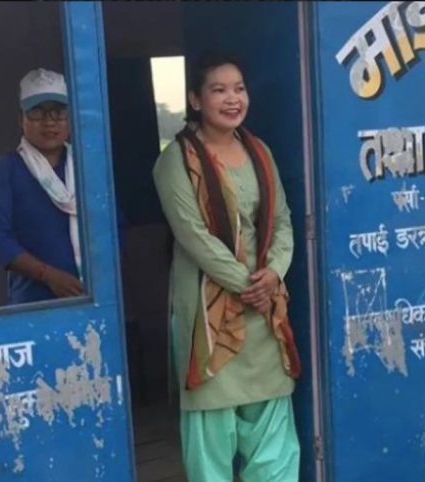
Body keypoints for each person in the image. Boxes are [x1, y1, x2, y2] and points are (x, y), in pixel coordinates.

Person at [152, 53, 301, 482]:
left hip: (263, 310)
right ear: (196, 100)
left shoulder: (259, 152)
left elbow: (283, 221)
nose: (233, 98)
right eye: (219, 90)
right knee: (211, 439)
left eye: (239, 88)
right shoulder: (175, 161)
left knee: (273, 441)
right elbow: (193, 236)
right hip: (209, 315)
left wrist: (274, 274)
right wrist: (248, 285)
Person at [0, 68, 83, 305]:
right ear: (21, 119)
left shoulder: (87, 168)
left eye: (58, 112)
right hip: (34, 302)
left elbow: (113, 227)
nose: (49, 121)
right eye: (37, 112)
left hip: (93, 296)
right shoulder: (6, 171)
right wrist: (49, 276)